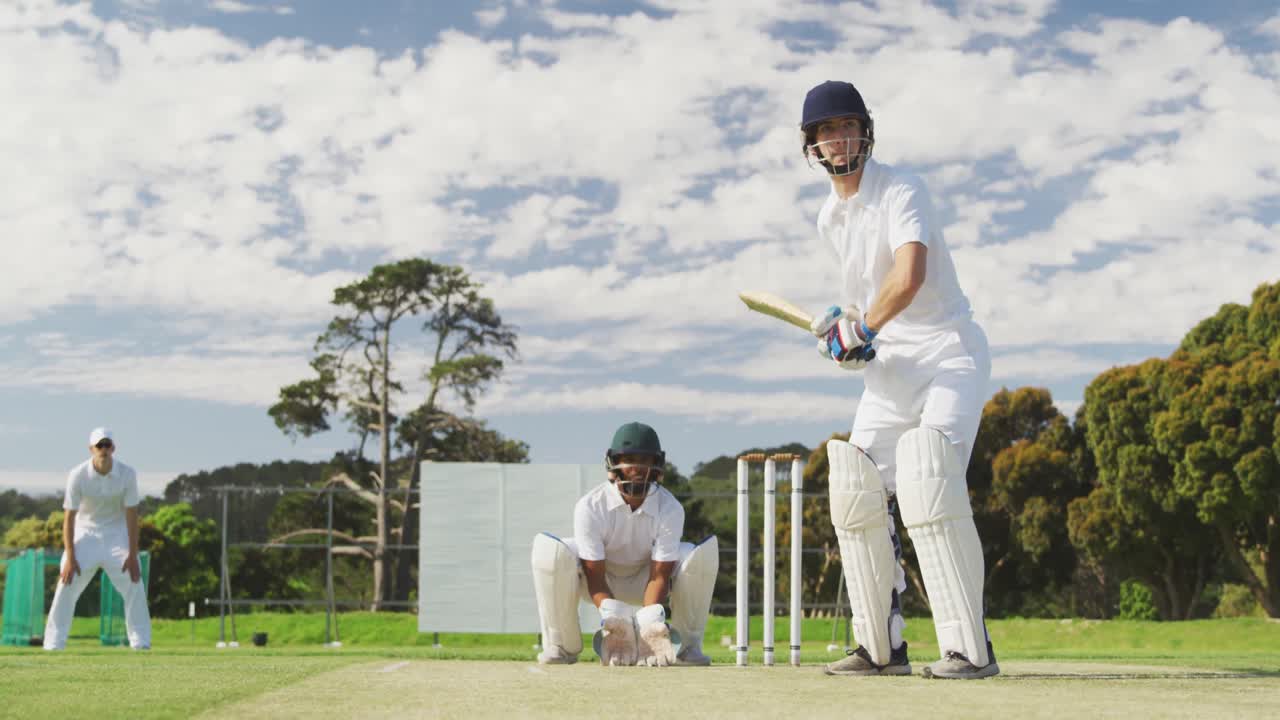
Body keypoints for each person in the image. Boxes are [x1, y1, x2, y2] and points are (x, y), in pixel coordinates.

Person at [800, 80, 998, 679]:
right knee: (855, 488)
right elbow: (866, 301)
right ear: (812, 145)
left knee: (927, 478)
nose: (839, 138)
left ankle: (970, 650)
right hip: (891, 372)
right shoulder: (828, 218)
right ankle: (879, 648)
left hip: (947, 355)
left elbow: (908, 275)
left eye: (847, 126)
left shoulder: (902, 189)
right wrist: (848, 338)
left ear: (866, 131)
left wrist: (864, 326)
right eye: (826, 130)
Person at [530, 421, 718, 666]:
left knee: (695, 554)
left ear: (656, 464)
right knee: (550, 550)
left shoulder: (670, 508)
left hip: (645, 581)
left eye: (644, 460)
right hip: (597, 582)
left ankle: (686, 647)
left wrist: (649, 625)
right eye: (628, 458)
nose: (636, 468)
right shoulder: (590, 506)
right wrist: (614, 619)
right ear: (612, 462)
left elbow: (660, 575)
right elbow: (594, 575)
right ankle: (561, 645)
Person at [43, 427, 152, 651]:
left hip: (116, 535)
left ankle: (140, 641)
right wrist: (71, 557)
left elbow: (132, 516)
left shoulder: (127, 474)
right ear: (91, 449)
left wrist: (132, 554)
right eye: (99, 445)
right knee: (66, 581)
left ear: (113, 448)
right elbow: (69, 519)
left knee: (134, 581)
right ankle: (53, 643)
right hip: (85, 534)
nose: (103, 449)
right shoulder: (77, 475)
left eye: (107, 445)